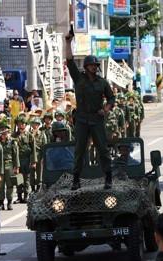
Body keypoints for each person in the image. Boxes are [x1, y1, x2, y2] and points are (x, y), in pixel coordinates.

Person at [65, 32, 114, 190]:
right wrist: (68, 42)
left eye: (95, 65)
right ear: (86, 67)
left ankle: (108, 177)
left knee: (103, 150)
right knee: (79, 150)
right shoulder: (79, 79)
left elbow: (111, 98)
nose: (94, 67)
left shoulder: (102, 82)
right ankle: (76, 179)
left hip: (96, 119)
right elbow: (70, 60)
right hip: (81, 119)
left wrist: (106, 108)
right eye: (91, 65)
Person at [0, 121, 19, 211]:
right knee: (0, 185)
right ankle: (1, 203)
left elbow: (15, 154)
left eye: (5, 130)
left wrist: (16, 167)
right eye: (2, 129)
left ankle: (9, 202)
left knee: (10, 184)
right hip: (0, 165)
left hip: (9, 164)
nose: (4, 131)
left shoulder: (12, 141)